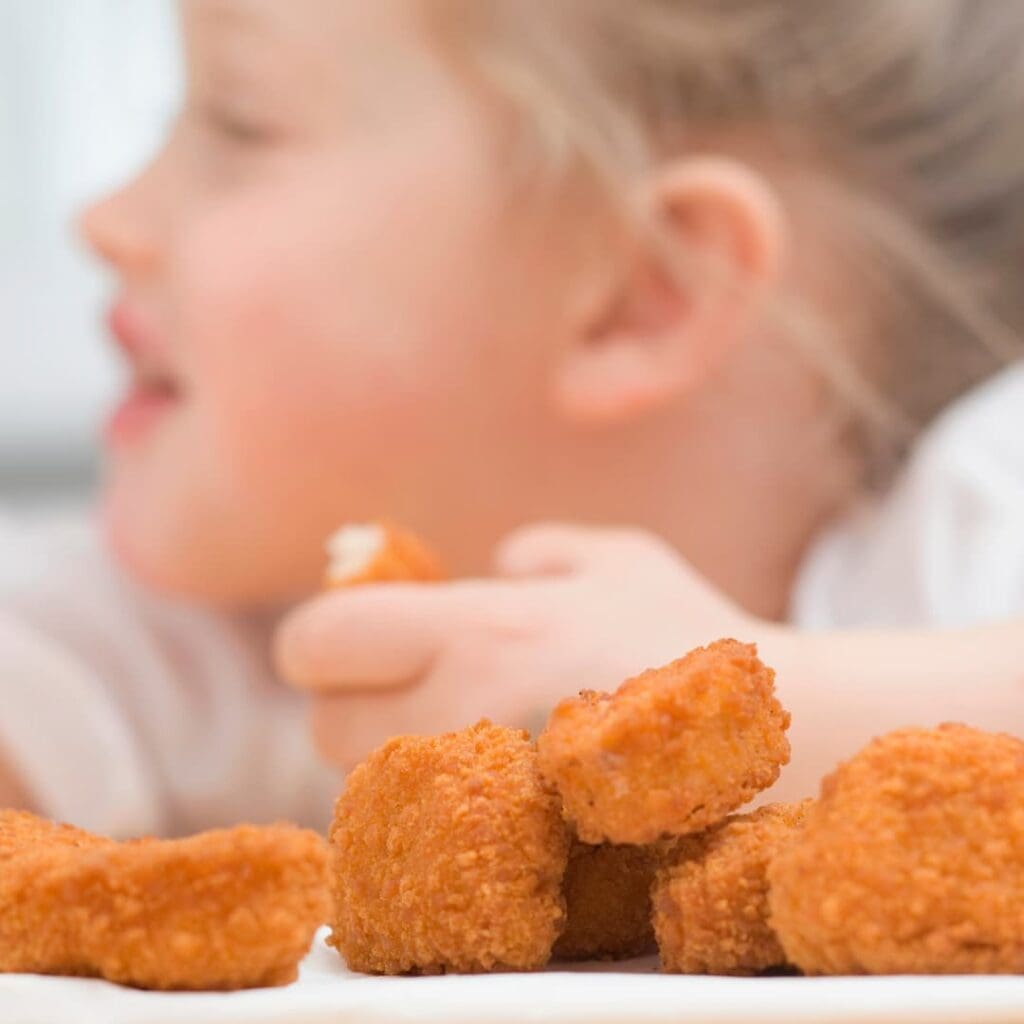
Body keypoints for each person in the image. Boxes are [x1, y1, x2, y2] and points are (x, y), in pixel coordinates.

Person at [2, 0, 1022, 835]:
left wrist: (763, 711)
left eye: (238, 124)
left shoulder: (976, 511)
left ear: (641, 291)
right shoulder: (230, 617)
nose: (106, 219)